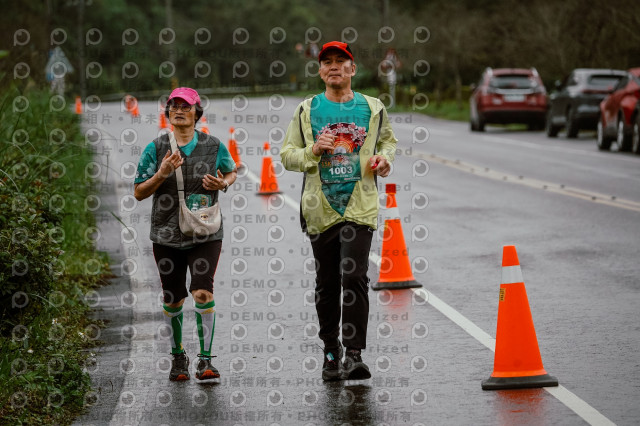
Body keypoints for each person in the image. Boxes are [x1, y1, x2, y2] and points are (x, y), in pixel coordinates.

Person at [281, 41, 397, 381]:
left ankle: (354, 354)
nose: (334, 67)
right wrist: (313, 150)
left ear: (352, 70)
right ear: (320, 71)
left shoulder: (373, 107)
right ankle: (331, 351)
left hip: (359, 206)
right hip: (320, 209)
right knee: (328, 283)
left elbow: (388, 141)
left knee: (355, 276)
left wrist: (384, 159)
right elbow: (287, 155)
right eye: (327, 62)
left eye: (341, 61)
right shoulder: (307, 110)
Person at [134, 87, 237, 381]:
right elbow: (139, 192)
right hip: (166, 236)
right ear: (168, 113)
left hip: (206, 232)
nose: (178, 110)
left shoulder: (214, 145)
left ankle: (206, 360)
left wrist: (223, 183)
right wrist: (162, 173)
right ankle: (178, 357)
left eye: (185, 106)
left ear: (196, 113)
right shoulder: (155, 149)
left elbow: (231, 171)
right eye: (173, 106)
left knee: (203, 291)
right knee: (173, 299)